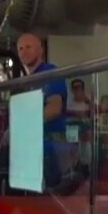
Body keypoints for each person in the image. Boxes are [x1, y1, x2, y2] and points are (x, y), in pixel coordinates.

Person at [15, 32, 67, 189]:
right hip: (34, 148)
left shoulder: (49, 72)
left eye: (29, 47)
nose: (24, 51)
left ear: (41, 50)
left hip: (50, 147)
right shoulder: (29, 80)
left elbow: (54, 109)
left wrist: (22, 127)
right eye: (20, 48)